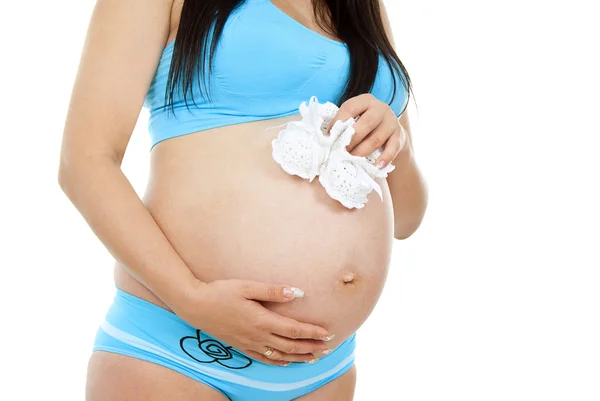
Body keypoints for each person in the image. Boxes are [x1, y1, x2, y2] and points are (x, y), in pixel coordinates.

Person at [58, 0, 428, 399]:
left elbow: (406, 219)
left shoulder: (363, 6)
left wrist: (397, 147)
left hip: (320, 370)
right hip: (178, 352)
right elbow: (85, 162)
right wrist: (191, 298)